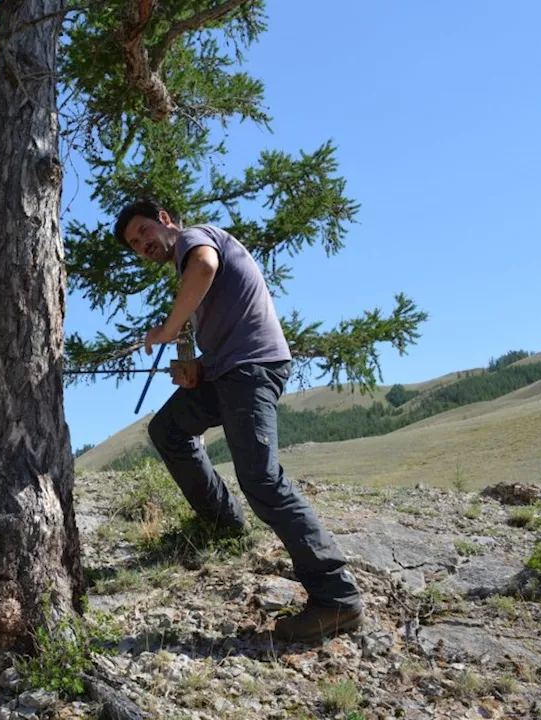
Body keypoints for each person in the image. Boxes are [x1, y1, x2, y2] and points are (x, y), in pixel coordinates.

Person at [113, 198, 364, 642]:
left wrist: (169, 330)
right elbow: (223, 322)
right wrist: (198, 370)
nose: (142, 245)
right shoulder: (185, 259)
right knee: (168, 430)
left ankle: (336, 599)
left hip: (251, 370)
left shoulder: (196, 239)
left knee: (262, 481)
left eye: (144, 232)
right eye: (134, 244)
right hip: (227, 371)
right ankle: (224, 523)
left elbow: (206, 267)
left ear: (165, 220)